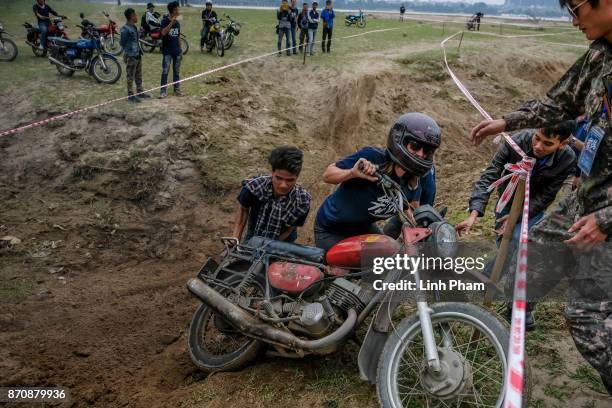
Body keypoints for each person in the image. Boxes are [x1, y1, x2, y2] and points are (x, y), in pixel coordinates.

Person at [469, 0, 612, 394]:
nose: (573, 19)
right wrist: (507, 121)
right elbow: (559, 101)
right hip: (584, 198)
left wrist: (606, 219)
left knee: (587, 318)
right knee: (533, 261)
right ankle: (509, 328)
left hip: (604, 214)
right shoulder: (601, 55)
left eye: (577, 7)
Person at [314, 113, 441, 251]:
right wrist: (352, 173)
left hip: (362, 227)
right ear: (400, 140)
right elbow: (328, 175)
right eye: (415, 146)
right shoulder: (373, 158)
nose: (421, 154)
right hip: (332, 229)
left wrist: (428, 230)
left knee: (390, 258)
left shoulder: (412, 181)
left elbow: (407, 210)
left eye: (427, 150)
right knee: (360, 267)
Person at [233, 146, 311, 243]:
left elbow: (288, 230)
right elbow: (243, 210)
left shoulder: (302, 201)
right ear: (272, 172)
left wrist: (267, 247)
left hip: (284, 239)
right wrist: (235, 239)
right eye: (279, 178)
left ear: (297, 176)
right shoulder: (254, 187)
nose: (283, 185)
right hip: (255, 230)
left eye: (290, 180)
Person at [120, 8, 151, 103]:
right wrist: (129, 53)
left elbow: (135, 39)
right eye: (135, 15)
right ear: (131, 16)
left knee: (138, 75)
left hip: (137, 54)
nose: (137, 17)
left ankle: (140, 91)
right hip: (131, 56)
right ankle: (130, 95)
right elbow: (122, 43)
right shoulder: (125, 29)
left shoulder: (133, 27)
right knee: (130, 75)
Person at [159, 1, 182, 98]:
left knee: (176, 71)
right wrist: (171, 23)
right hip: (167, 51)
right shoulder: (164, 21)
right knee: (165, 71)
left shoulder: (178, 22)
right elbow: (163, 33)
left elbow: (178, 36)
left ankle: (177, 89)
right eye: (177, 9)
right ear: (173, 10)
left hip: (176, 51)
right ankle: (163, 91)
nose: (178, 11)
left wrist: (180, 51)